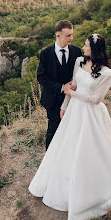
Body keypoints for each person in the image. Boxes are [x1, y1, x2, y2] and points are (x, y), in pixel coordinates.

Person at [29, 33, 111, 220]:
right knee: (67, 146)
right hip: (74, 111)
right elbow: (73, 85)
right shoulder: (80, 62)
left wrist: (72, 95)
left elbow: (96, 99)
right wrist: (65, 105)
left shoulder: (107, 73)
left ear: (94, 48)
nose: (83, 46)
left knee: (90, 149)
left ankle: (92, 189)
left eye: (86, 44)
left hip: (91, 114)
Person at [37, 20, 82, 150]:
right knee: (53, 129)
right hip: (52, 99)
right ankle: (49, 160)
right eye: (68, 35)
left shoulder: (76, 52)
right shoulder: (45, 53)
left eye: (72, 34)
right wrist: (62, 87)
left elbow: (80, 75)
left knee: (71, 129)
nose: (71, 38)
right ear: (58, 36)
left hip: (73, 98)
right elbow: (41, 77)